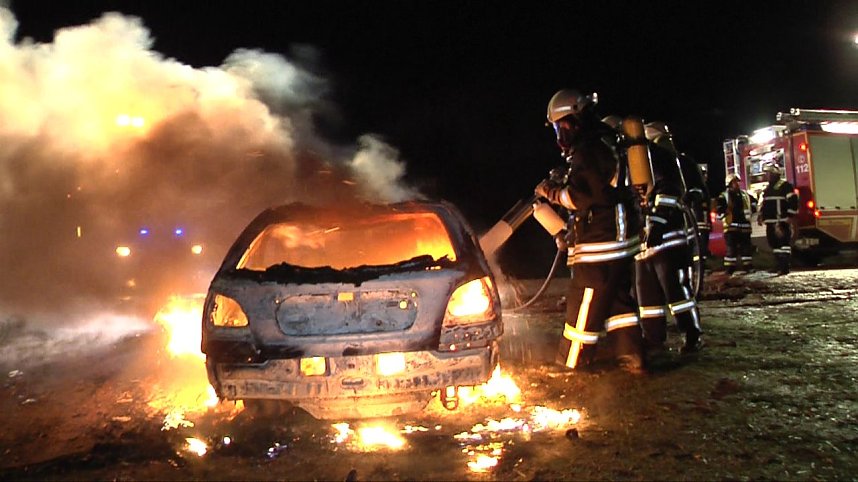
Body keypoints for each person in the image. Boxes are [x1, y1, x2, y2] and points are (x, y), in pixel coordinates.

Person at [535, 89, 645, 373]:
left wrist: (550, 192)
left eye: (560, 127)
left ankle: (572, 362)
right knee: (619, 301)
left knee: (583, 303)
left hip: (600, 242)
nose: (560, 135)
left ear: (572, 120)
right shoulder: (610, 140)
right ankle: (631, 356)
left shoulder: (590, 148)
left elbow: (581, 197)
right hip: (621, 240)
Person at [635, 121, 702, 354]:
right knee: (648, 297)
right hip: (645, 244)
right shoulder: (640, 162)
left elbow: (670, 191)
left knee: (676, 292)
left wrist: (658, 223)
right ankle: (653, 339)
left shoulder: (661, 158)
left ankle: (691, 333)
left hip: (669, 239)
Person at [757, 164, 798, 274]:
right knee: (774, 244)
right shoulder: (768, 188)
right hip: (770, 222)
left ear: (775, 174)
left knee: (783, 244)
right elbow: (765, 204)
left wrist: (790, 216)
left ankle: (784, 267)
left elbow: (793, 201)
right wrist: (761, 215)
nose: (766, 175)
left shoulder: (785, 186)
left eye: (768, 173)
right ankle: (779, 265)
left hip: (781, 221)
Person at [716, 174, 756, 274]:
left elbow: (754, 203)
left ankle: (748, 266)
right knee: (731, 249)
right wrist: (725, 210)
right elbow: (719, 208)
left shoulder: (745, 195)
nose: (737, 183)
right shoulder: (724, 195)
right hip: (731, 227)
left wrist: (753, 210)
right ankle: (730, 268)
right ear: (729, 184)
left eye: (737, 181)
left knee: (746, 248)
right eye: (735, 182)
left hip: (744, 226)